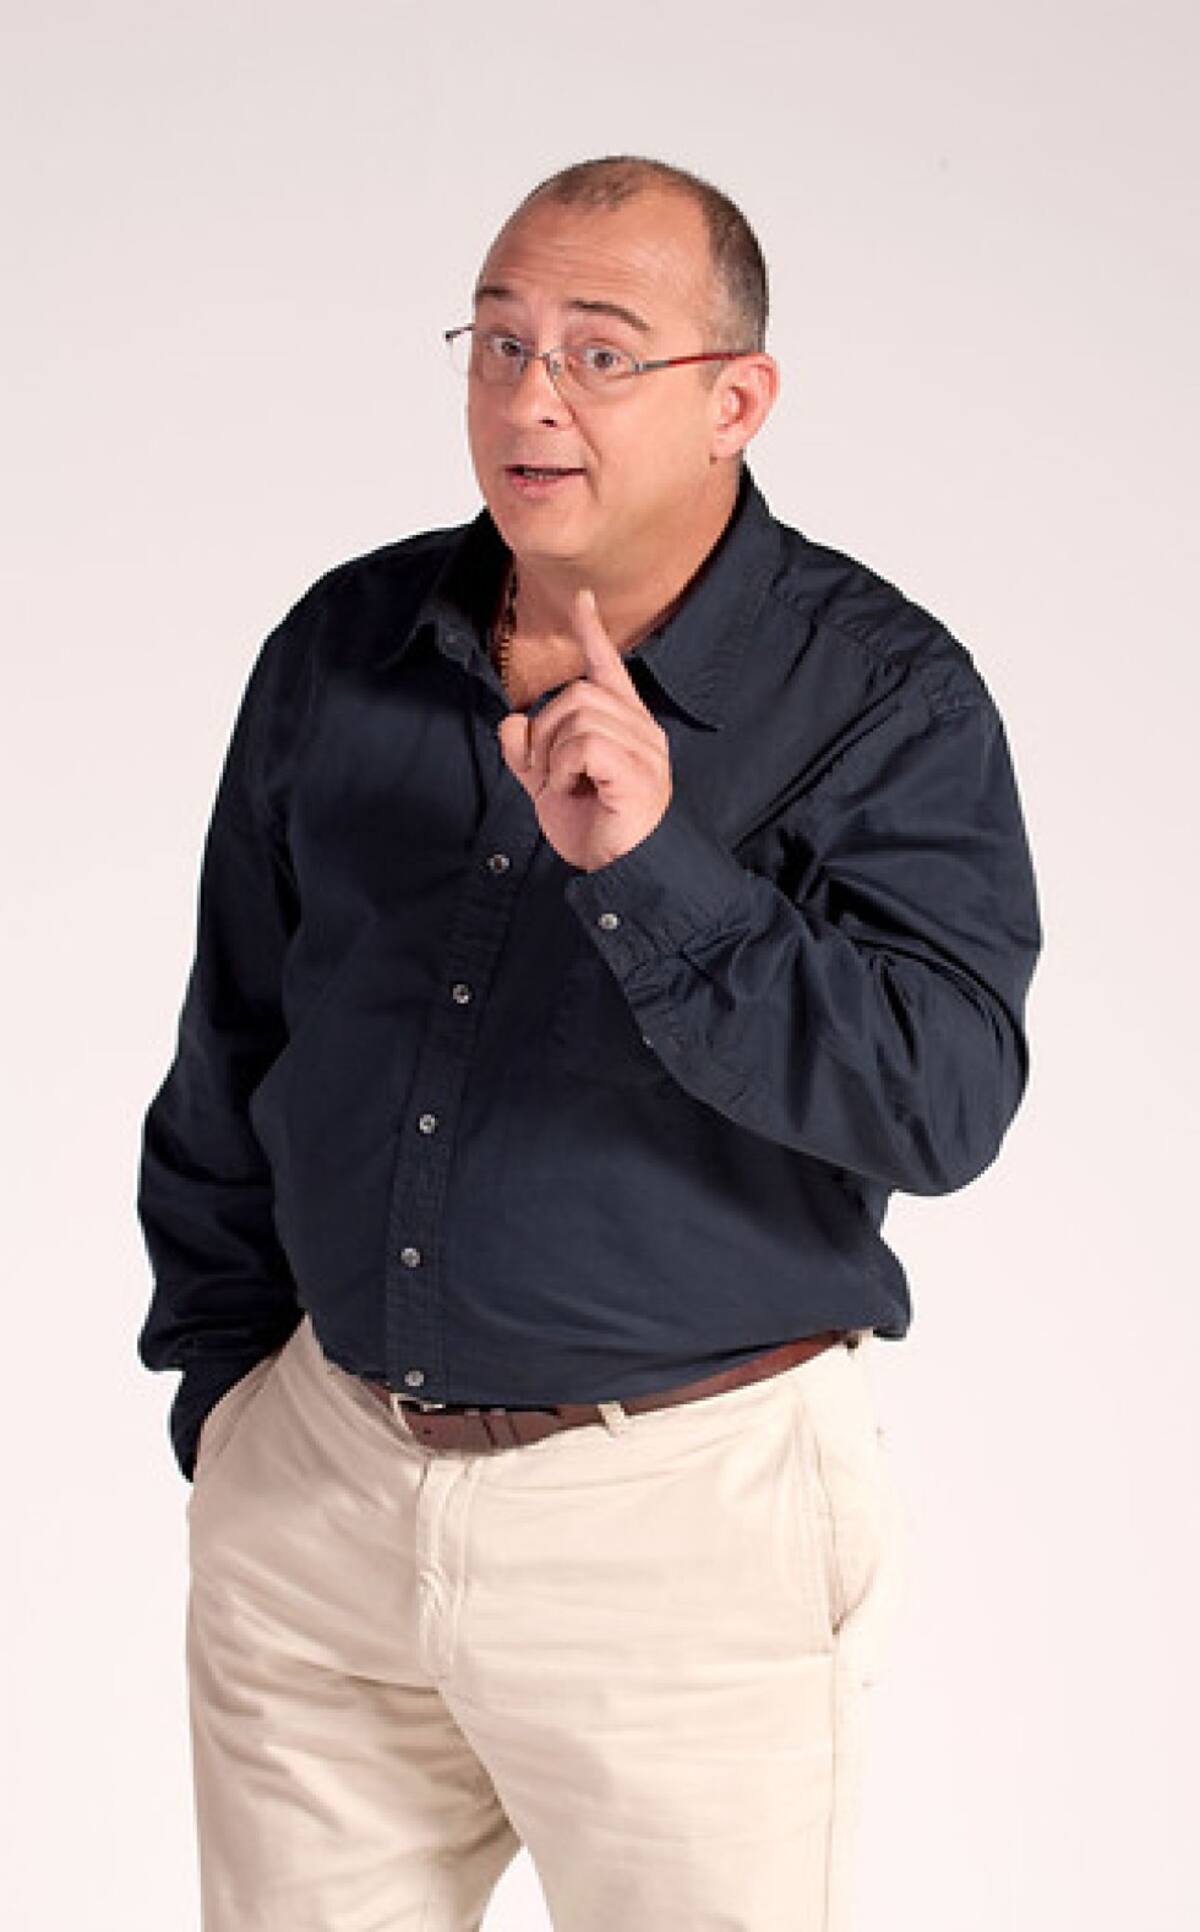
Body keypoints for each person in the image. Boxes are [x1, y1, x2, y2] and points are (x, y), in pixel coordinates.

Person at [136, 154, 1042, 1932]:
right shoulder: (343, 645)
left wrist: (654, 867)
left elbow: (941, 1102)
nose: (530, 396)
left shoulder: (885, 698)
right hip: (317, 1503)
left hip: (683, 1530)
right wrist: (231, 1403)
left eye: (600, 352)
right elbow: (236, 1035)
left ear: (735, 400)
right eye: (498, 341)